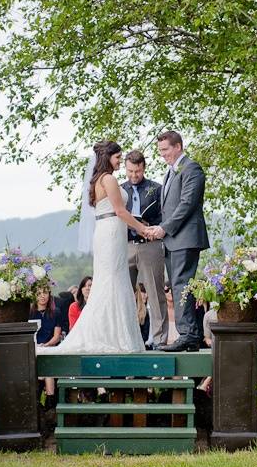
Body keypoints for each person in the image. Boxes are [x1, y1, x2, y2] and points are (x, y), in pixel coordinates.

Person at [42, 141, 149, 355]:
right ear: (108, 157)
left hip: (108, 231)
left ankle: (113, 334)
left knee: (112, 280)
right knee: (112, 281)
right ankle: (113, 337)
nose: (120, 161)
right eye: (118, 157)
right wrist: (142, 229)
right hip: (111, 232)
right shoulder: (108, 179)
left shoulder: (98, 180)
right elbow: (119, 211)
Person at [146, 131, 209, 352]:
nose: (162, 155)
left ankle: (189, 335)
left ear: (178, 146)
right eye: (160, 151)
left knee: (182, 285)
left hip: (185, 238)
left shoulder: (192, 168)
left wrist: (164, 228)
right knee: (177, 285)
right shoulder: (171, 172)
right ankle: (189, 335)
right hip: (174, 239)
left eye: (166, 150)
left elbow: (187, 204)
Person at [122, 150, 168, 348]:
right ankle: (126, 338)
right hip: (125, 245)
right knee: (123, 293)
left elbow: (165, 216)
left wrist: (151, 224)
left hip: (150, 246)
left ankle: (159, 340)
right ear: (125, 168)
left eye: (138, 171)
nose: (134, 175)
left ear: (144, 168)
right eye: (130, 171)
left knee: (156, 294)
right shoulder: (120, 189)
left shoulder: (156, 188)